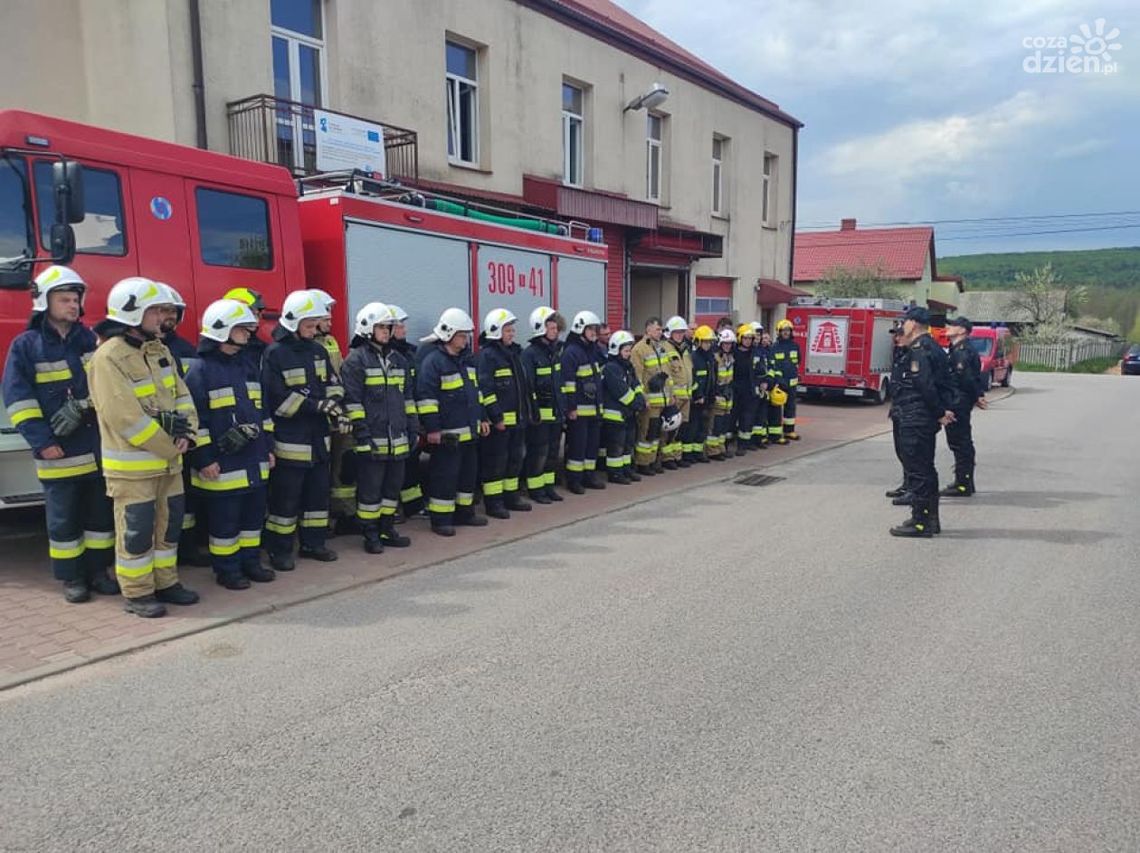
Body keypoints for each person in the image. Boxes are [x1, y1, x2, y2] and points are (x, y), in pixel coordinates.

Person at [2, 265, 117, 603]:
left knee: (99, 519)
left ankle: (98, 571)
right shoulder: (26, 346)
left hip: (96, 448)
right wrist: (43, 442)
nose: (73, 305)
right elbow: (19, 400)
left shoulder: (90, 340)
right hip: (59, 453)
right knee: (64, 522)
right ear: (44, 302)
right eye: (64, 299)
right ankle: (72, 578)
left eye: (75, 299)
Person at [87, 276, 200, 617]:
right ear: (133, 314)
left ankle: (166, 582)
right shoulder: (108, 358)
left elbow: (182, 395)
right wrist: (171, 445)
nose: (163, 318)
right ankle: (137, 594)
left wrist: (188, 433)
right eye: (156, 311)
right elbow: (123, 417)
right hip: (134, 468)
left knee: (168, 527)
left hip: (170, 463)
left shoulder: (159, 350)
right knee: (135, 533)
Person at [184, 299, 276, 589]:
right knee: (225, 524)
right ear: (222, 330)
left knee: (252, 518)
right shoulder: (200, 370)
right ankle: (227, 570)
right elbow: (196, 420)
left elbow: (262, 412)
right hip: (222, 465)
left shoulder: (247, 365)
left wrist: (268, 447)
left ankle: (250, 562)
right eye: (241, 329)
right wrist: (204, 458)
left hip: (253, 459)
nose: (248, 334)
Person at [262, 290, 346, 569]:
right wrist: (316, 405)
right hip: (291, 441)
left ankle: (314, 544)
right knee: (286, 502)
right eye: (308, 326)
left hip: (319, 440)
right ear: (291, 323)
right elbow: (275, 399)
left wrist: (333, 405)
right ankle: (280, 551)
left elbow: (334, 383)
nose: (312, 331)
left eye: (314, 325)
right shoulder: (275, 354)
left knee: (317, 497)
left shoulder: (318, 351)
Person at [340, 303, 417, 553]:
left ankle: (387, 528)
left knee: (392, 489)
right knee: (370, 492)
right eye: (381, 327)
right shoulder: (355, 361)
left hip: (398, 439)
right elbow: (352, 402)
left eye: (388, 327)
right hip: (372, 439)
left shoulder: (399, 360)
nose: (386, 331)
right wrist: (362, 436)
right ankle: (370, 534)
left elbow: (408, 398)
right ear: (366, 328)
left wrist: (413, 428)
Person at [416, 308, 489, 536]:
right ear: (448, 334)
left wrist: (483, 417)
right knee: (444, 477)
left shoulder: (467, 362)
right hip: (447, 435)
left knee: (467, 476)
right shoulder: (434, 362)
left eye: (466, 335)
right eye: (461, 335)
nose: (465, 339)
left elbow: (476, 394)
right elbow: (427, 399)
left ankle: (464, 513)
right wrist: (433, 429)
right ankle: (441, 519)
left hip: (469, 432)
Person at [889, 307, 955, 538]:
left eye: (906, 321)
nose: (903, 325)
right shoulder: (932, 347)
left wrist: (939, 412)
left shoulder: (920, 349)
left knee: (918, 471)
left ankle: (920, 521)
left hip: (916, 416)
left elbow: (925, 385)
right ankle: (931, 519)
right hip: (921, 417)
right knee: (926, 469)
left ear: (914, 323)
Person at [307, 288, 354, 535]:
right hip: (317, 418)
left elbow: (338, 377)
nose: (330, 321)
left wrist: (341, 410)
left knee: (340, 468)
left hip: (335, 416)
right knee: (319, 474)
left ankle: (342, 514)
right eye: (325, 317)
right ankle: (320, 521)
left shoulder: (330, 341)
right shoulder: (307, 347)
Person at [477, 308, 532, 518]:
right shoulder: (488, 356)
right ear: (496, 331)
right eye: (508, 330)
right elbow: (486, 390)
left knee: (515, 460)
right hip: (500, 424)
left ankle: (511, 496)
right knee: (496, 463)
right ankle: (494, 503)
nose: (512, 333)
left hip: (517, 421)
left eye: (512, 330)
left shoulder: (513, 354)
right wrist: (496, 417)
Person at [521, 306, 565, 505]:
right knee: (539, 453)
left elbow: (558, 384)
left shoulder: (554, 352)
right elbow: (528, 386)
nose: (555, 331)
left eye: (556, 328)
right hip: (539, 416)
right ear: (541, 328)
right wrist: (533, 412)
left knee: (553, 453)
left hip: (555, 414)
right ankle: (535, 489)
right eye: (552, 328)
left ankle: (548, 487)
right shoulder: (530, 355)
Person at [386, 304, 427, 518]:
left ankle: (413, 506)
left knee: (411, 465)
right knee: (393, 470)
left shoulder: (409, 353)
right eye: (400, 326)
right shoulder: (389, 356)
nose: (405, 330)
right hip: (392, 422)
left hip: (409, 419)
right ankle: (394, 509)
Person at [941, 316, 987, 497]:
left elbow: (966, 379)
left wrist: (977, 396)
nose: (947, 327)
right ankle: (964, 481)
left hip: (958, 402)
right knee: (959, 442)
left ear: (962, 330)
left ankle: (963, 483)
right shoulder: (956, 349)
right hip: (958, 399)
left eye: (952, 325)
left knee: (960, 443)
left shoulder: (962, 351)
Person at [561, 310, 605, 493]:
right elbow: (569, 383)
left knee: (591, 446)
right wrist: (571, 407)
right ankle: (574, 480)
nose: (594, 332)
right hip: (578, 411)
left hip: (593, 409)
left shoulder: (593, 350)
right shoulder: (572, 352)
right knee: (577, 447)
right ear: (580, 329)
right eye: (591, 329)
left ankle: (589, 476)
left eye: (595, 329)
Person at [601, 329, 645, 484]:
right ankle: (615, 473)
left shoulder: (627, 366)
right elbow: (622, 392)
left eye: (629, 350)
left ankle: (626, 469)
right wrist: (637, 403)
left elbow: (636, 384)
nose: (628, 353)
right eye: (626, 351)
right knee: (616, 447)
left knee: (628, 444)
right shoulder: (611, 368)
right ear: (616, 350)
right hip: (615, 415)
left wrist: (640, 396)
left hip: (628, 413)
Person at [630, 317, 669, 475]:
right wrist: (643, 398)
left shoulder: (661, 347)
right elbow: (637, 376)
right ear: (648, 330)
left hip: (662, 400)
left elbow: (667, 373)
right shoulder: (639, 349)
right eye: (657, 329)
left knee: (656, 433)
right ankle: (642, 463)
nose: (660, 332)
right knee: (646, 432)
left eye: (661, 329)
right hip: (650, 401)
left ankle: (652, 461)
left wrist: (670, 395)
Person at [660, 316, 693, 469]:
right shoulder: (665, 349)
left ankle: (677, 456)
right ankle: (667, 458)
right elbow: (666, 374)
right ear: (670, 333)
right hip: (674, 397)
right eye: (676, 332)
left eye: (681, 332)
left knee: (682, 428)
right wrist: (670, 395)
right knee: (670, 429)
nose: (680, 335)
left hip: (686, 396)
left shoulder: (685, 349)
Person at [884, 325, 912, 502]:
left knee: (909, 452)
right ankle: (906, 484)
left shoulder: (912, 354)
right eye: (895, 335)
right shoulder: (899, 352)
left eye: (899, 335)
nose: (896, 338)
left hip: (908, 409)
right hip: (898, 407)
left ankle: (912, 489)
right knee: (900, 450)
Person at [687, 325, 717, 463]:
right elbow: (692, 379)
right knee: (692, 427)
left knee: (703, 428)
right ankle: (688, 454)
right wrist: (697, 395)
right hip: (696, 400)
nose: (707, 344)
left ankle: (698, 452)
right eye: (705, 341)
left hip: (707, 398)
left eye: (709, 342)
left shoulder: (710, 358)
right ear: (698, 342)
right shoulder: (694, 358)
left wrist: (712, 394)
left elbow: (712, 378)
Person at [771, 318, 802, 442]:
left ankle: (789, 431)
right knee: (777, 409)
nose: (786, 333)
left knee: (791, 407)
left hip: (792, 383)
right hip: (780, 383)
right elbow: (774, 365)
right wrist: (779, 380)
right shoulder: (775, 347)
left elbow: (798, 361)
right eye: (783, 330)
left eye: (788, 330)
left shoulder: (795, 346)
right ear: (778, 332)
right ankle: (777, 434)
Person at [223, 287, 270, 369]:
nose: (257, 320)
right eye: (252, 313)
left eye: (258, 314)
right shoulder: (214, 349)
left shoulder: (262, 350)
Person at [707, 328, 736, 461]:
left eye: (729, 344)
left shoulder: (730, 358)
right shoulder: (715, 358)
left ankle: (721, 448)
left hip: (728, 395)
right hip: (718, 394)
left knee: (724, 424)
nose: (727, 346)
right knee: (716, 425)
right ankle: (713, 451)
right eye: (725, 343)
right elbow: (712, 379)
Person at [731, 324, 759, 456]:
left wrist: (763, 383)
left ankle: (743, 444)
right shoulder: (733, 353)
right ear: (740, 338)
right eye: (745, 338)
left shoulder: (755, 353)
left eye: (750, 338)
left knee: (746, 418)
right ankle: (728, 443)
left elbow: (761, 371)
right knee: (732, 417)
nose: (748, 340)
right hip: (735, 390)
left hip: (750, 390)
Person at [750, 325, 772, 449]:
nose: (758, 337)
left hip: (763, 387)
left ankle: (759, 439)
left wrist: (766, 382)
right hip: (753, 387)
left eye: (759, 335)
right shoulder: (750, 351)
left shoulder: (761, 350)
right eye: (756, 335)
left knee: (761, 415)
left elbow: (764, 369)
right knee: (752, 415)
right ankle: (752, 441)